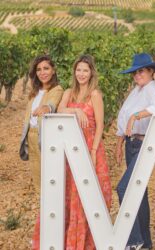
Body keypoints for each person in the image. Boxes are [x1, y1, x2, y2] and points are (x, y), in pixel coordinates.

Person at [32, 54, 112, 249]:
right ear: (74, 72)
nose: (81, 74)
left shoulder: (95, 95)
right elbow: (59, 110)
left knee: (90, 195)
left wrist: (93, 151)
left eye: (85, 70)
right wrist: (77, 111)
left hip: (89, 148)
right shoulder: (68, 92)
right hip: (69, 152)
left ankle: (85, 241)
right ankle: (65, 239)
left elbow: (100, 125)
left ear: (91, 72)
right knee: (68, 192)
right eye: (78, 70)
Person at [116, 53, 155, 250]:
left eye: (141, 71)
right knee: (139, 192)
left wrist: (137, 116)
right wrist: (119, 144)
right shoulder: (137, 90)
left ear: (151, 71)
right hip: (132, 144)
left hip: (145, 144)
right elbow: (122, 118)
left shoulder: (152, 90)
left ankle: (134, 240)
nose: (138, 75)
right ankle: (145, 242)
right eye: (135, 73)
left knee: (124, 188)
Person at [20, 54, 64, 192]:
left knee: (50, 174)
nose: (42, 72)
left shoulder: (56, 90)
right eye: (39, 69)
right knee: (37, 173)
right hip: (31, 136)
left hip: (44, 137)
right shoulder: (34, 92)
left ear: (53, 70)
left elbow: (52, 103)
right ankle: (43, 209)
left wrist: (47, 108)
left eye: (46, 68)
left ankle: (52, 208)